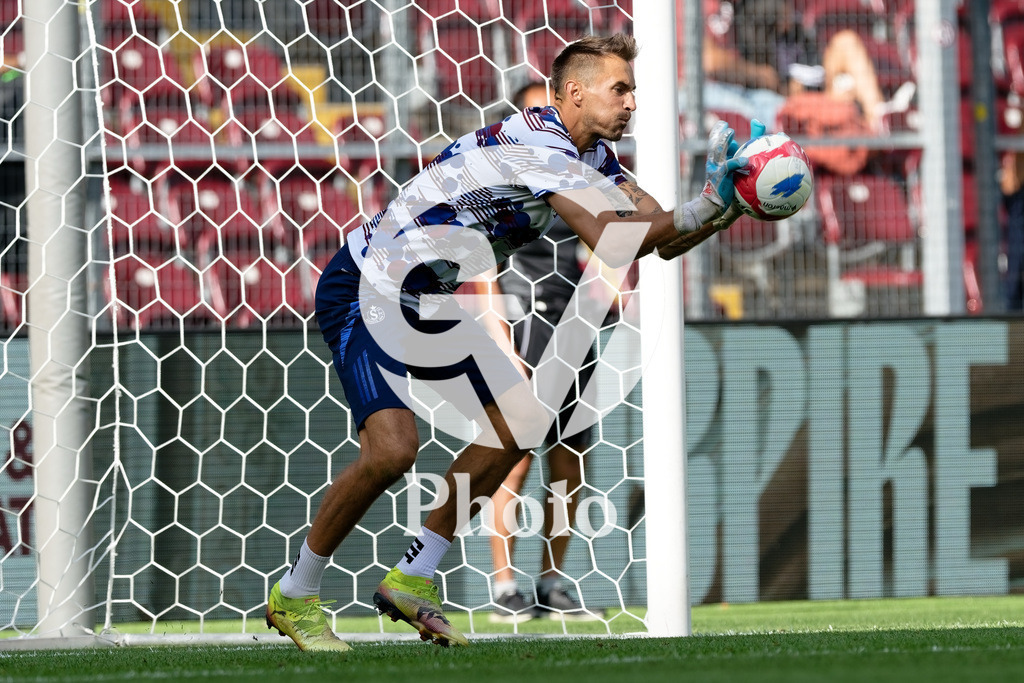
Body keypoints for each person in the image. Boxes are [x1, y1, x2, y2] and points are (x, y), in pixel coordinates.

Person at [265, 33, 753, 651]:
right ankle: (296, 594)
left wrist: (727, 205)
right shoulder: (540, 147)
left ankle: (411, 578)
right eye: (619, 89)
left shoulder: (594, 159)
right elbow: (611, 240)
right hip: (368, 284)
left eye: (632, 90)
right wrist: (702, 206)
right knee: (391, 452)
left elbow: (658, 236)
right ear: (574, 92)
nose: (631, 103)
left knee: (519, 420)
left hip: (427, 296)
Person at [482, 82, 603, 623]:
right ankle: (504, 586)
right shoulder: (504, 181)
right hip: (524, 322)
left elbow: (599, 250)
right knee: (515, 459)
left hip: (575, 324)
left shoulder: (577, 177)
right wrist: (500, 338)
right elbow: (483, 261)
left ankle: (553, 581)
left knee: (571, 461)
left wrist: (603, 294)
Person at [699, 0, 886, 133]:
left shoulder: (797, 33)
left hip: (807, 79)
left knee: (847, 43)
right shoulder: (742, 17)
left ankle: (881, 121)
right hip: (769, 91)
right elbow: (710, 61)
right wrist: (762, 76)